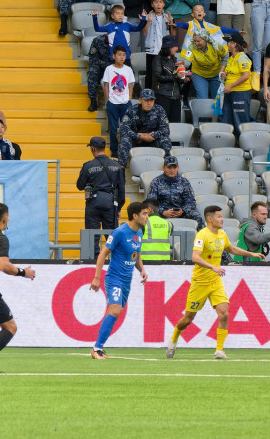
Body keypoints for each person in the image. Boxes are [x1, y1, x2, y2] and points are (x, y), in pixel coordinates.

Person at [167, 206, 265, 360]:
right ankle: (173, 339)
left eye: (222, 216)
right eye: (219, 216)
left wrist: (251, 253)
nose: (222, 219)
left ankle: (219, 350)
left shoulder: (222, 234)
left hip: (215, 281)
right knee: (188, 318)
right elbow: (195, 257)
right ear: (210, 219)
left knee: (224, 313)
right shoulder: (202, 235)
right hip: (200, 282)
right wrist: (213, 266)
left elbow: (231, 248)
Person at [87, 200, 149, 359]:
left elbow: (136, 255)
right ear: (135, 216)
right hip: (114, 278)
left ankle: (99, 348)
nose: (147, 217)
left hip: (127, 281)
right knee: (114, 310)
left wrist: (142, 270)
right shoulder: (120, 232)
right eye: (144, 214)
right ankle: (96, 349)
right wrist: (96, 277)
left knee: (116, 312)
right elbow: (103, 254)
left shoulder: (139, 233)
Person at [0, 203, 37, 373]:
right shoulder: (0, 239)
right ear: (5, 218)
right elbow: (3, 265)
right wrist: (24, 272)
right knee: (10, 327)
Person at [76, 137, 126, 230]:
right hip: (110, 204)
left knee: (92, 238)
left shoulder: (88, 166)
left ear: (93, 148)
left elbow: (79, 186)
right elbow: (122, 191)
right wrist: (118, 209)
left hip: (93, 203)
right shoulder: (117, 166)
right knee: (111, 238)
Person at [117, 89, 171, 165]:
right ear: (140, 100)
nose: (149, 103)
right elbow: (123, 129)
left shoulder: (159, 110)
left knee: (166, 140)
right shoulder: (132, 110)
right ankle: (121, 169)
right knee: (124, 140)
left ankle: (168, 167)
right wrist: (139, 137)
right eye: (146, 100)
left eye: (151, 100)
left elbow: (165, 130)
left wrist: (151, 136)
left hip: (152, 140)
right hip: (136, 141)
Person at [147, 155, 202, 229]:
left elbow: (191, 201)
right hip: (162, 213)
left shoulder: (184, 182)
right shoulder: (156, 182)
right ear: (164, 168)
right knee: (149, 217)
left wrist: (182, 210)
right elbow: (151, 202)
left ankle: (197, 240)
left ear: (178, 168)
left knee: (196, 216)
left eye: (174, 167)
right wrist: (163, 211)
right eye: (169, 167)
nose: (172, 170)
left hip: (181, 212)